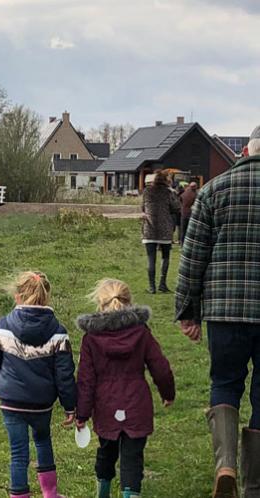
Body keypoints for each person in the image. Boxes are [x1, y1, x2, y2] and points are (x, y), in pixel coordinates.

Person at [176, 125, 260, 498]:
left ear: (246, 151)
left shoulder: (213, 190)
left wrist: (187, 311)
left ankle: (225, 465)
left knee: (225, 383)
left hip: (225, 312)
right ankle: (254, 483)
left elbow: (192, 258)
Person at [75, 278, 175, 498]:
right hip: (136, 403)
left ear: (100, 304)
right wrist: (168, 393)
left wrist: (81, 413)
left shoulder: (91, 338)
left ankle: (103, 489)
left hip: (106, 404)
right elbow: (160, 366)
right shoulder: (141, 332)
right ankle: (131, 493)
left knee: (107, 449)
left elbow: (86, 379)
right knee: (132, 456)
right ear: (129, 302)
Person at [0, 271, 76, 498]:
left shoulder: (2, 326)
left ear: (17, 297)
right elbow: (65, 374)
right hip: (42, 403)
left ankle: (19, 495)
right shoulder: (58, 332)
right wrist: (70, 405)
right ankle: (50, 493)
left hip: (11, 400)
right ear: (46, 297)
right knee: (43, 441)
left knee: (18, 452)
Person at [141, 169, 181, 293]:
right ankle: (162, 284)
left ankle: (151, 287)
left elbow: (143, 207)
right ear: (166, 180)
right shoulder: (169, 192)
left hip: (149, 228)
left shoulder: (147, 191)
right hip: (165, 229)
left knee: (151, 259)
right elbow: (176, 208)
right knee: (165, 257)